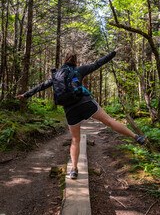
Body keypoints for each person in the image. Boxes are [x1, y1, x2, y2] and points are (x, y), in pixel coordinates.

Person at [15, 47, 146, 179]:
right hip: (85, 102)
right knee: (109, 121)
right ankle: (136, 137)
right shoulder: (79, 70)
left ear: (64, 61)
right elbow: (98, 64)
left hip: (70, 109)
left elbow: (41, 86)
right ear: (75, 61)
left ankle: (74, 169)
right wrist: (113, 52)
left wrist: (25, 95)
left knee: (75, 140)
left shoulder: (57, 75)